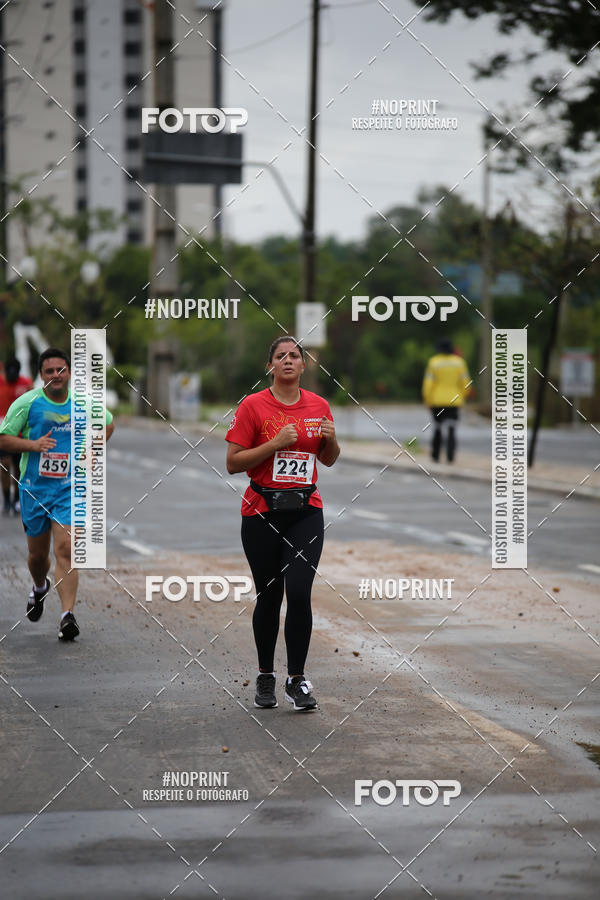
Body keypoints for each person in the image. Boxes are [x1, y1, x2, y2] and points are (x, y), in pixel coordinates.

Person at [225, 336, 340, 712]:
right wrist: (275, 444)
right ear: (270, 365)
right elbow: (233, 462)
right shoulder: (253, 405)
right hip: (261, 511)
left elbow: (329, 460)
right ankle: (265, 676)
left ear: (304, 366)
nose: (288, 360)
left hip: (306, 510)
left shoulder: (319, 405)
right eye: (280, 356)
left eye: (295, 356)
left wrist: (331, 440)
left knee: (301, 592)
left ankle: (296, 679)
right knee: (270, 597)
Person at [0, 348, 114, 640]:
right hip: (35, 490)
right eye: (49, 371)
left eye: (61, 370)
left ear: (69, 373)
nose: (56, 376)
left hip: (70, 489)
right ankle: (39, 587)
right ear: (41, 375)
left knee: (66, 549)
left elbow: (109, 422)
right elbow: (4, 438)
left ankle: (67, 616)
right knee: (38, 556)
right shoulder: (27, 404)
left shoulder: (83, 403)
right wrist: (33, 445)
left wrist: (92, 450)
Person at [422, 337, 470, 463]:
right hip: (454, 401)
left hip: (437, 401)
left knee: (437, 428)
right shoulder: (459, 362)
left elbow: (428, 384)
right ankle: (450, 455)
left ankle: (435, 455)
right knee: (452, 427)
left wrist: (427, 399)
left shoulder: (434, 362)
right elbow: (466, 383)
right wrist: (464, 395)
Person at [0, 357, 33, 515]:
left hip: (21, 434)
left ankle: (15, 499)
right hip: (4, 433)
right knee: (5, 466)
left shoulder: (26, 384)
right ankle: (6, 499)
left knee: (19, 469)